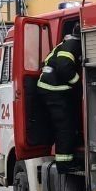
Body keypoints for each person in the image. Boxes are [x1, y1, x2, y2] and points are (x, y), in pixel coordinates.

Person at [36, 25, 82, 165]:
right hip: (54, 90)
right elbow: (64, 67)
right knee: (65, 126)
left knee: (66, 124)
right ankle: (64, 164)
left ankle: (66, 158)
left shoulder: (66, 43)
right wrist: (78, 84)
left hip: (51, 89)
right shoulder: (73, 45)